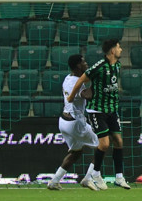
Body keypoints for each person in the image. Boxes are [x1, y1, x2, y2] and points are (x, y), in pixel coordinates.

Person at [67, 39, 130, 189]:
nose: (121, 50)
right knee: (104, 143)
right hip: (97, 110)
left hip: (112, 109)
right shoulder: (99, 67)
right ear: (113, 51)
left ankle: (119, 177)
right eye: (119, 47)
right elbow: (82, 79)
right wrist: (71, 96)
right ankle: (95, 174)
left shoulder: (118, 65)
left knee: (119, 141)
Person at [47, 54, 100, 191]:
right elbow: (88, 95)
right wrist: (97, 82)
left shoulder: (68, 78)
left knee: (75, 153)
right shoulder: (75, 82)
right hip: (75, 123)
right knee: (103, 146)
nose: (86, 64)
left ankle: (54, 181)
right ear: (78, 65)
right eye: (84, 62)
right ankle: (88, 178)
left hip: (64, 122)